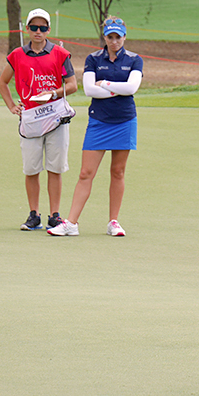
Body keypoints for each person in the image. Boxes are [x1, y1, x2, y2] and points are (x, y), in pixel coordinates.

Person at [48, 16, 143, 237]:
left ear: (124, 37)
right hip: (99, 121)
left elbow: (132, 88)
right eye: (110, 37)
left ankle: (113, 222)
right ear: (105, 37)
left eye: (118, 37)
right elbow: (90, 90)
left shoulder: (134, 60)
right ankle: (71, 223)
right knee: (85, 172)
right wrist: (117, 89)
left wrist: (107, 85)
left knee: (118, 172)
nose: (114, 41)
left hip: (125, 120)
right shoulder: (93, 59)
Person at [0, 8, 78, 231]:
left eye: (42, 28)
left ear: (49, 30)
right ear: (27, 29)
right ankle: (34, 215)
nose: (38, 32)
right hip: (31, 117)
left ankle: (55, 215)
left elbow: (72, 85)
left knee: (55, 167)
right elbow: (2, 83)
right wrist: (12, 106)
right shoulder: (17, 55)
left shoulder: (61, 54)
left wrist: (52, 94)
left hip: (56, 117)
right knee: (31, 169)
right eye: (34, 27)